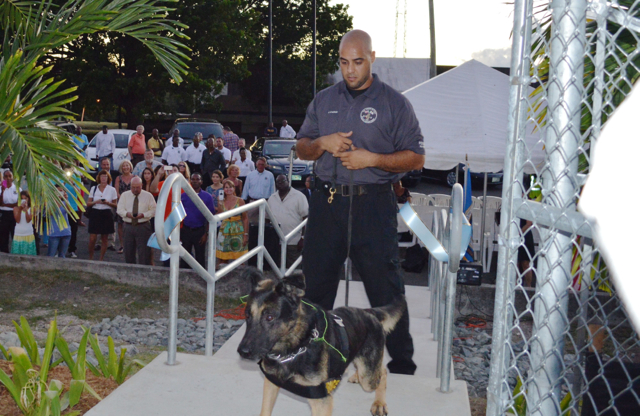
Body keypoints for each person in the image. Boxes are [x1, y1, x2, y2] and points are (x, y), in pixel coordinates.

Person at [295, 29, 425, 375]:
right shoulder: (324, 100)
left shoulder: (394, 103)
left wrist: (373, 159)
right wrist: (322, 141)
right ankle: (311, 359)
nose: (349, 70)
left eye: (357, 62)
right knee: (317, 286)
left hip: (373, 206)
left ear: (371, 58)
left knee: (386, 289)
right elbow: (302, 148)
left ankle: (402, 364)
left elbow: (416, 158)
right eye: (343, 62)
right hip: (327, 203)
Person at [267, 175, 308, 268]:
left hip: (294, 241)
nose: (280, 184)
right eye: (278, 182)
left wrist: (303, 238)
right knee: (277, 270)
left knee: (294, 271)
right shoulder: (272, 198)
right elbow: (267, 219)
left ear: (288, 181)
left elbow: (306, 218)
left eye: (283, 181)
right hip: (276, 242)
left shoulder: (299, 196)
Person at [117, 177, 156, 265]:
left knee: (145, 252)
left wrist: (143, 215)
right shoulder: (125, 195)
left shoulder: (148, 196)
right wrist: (127, 214)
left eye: (137, 187)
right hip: (128, 225)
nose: (135, 189)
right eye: (133, 187)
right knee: (128, 251)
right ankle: (130, 272)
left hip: (143, 225)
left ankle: (144, 272)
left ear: (141, 185)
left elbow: (154, 210)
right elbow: (119, 209)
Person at [180, 173, 216, 269]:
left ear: (201, 182)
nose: (195, 181)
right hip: (185, 230)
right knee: (184, 257)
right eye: (193, 179)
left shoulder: (207, 197)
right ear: (190, 181)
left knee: (200, 257)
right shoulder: (183, 196)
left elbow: (210, 217)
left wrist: (206, 234)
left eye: (197, 179)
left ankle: (200, 280)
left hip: (200, 231)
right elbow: (178, 215)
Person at [216, 179, 248, 266]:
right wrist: (219, 202)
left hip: (238, 229)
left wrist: (245, 234)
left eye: (230, 187)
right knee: (222, 259)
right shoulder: (221, 200)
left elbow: (245, 218)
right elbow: (220, 215)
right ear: (223, 189)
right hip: (225, 229)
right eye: (226, 187)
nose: (228, 189)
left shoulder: (240, 201)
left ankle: (241, 278)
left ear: (234, 188)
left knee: (239, 259)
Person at [87, 170, 117, 261]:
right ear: (99, 178)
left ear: (108, 178)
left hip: (106, 213)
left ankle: (101, 259)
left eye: (106, 176)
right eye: (102, 176)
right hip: (95, 213)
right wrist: (96, 202)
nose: (104, 178)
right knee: (92, 238)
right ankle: (91, 257)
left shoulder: (112, 190)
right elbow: (88, 203)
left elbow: (115, 205)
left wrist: (107, 203)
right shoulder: (94, 188)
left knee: (105, 238)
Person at [114, 160, 134, 254]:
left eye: (127, 165)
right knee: (120, 224)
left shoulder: (135, 178)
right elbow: (116, 191)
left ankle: (132, 245)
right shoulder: (118, 178)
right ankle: (122, 245)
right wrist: (122, 200)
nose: (125, 167)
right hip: (121, 203)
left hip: (132, 203)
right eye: (124, 166)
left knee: (132, 224)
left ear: (130, 167)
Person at [47, 186, 72, 258]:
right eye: (58, 191)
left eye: (61, 191)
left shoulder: (65, 202)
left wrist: (66, 199)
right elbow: (51, 212)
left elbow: (69, 211)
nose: (59, 193)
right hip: (54, 233)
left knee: (62, 255)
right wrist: (58, 200)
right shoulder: (49, 202)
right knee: (51, 255)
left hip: (66, 232)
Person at [11, 191, 36, 255]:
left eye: (25, 198)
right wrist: (20, 209)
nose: (24, 200)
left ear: (28, 199)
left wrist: (26, 211)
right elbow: (18, 220)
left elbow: (28, 220)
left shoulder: (32, 208)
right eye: (22, 199)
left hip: (28, 233)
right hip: (18, 234)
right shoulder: (15, 208)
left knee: (29, 255)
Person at [0, 170, 19, 253]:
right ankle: (4, 253)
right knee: (3, 236)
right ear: (3, 178)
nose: (8, 178)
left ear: (12, 177)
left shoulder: (17, 188)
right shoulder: (0, 188)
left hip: (14, 214)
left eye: (10, 176)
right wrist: (3, 191)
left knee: (15, 234)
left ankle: (15, 252)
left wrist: (5, 204)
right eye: (6, 176)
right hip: (3, 215)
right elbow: (0, 204)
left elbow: (18, 203)